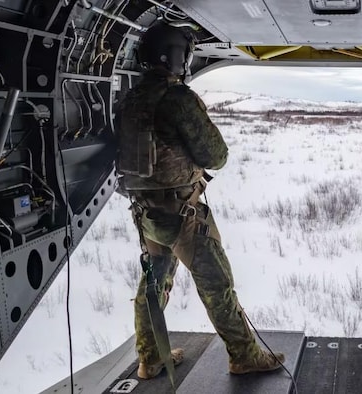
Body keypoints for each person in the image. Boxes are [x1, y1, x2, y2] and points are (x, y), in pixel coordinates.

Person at [115, 22, 284, 379]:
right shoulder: (177, 98)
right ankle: (244, 355)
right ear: (177, 57)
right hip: (182, 216)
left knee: (152, 286)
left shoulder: (131, 97)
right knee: (217, 284)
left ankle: (150, 358)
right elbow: (215, 155)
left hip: (146, 215)